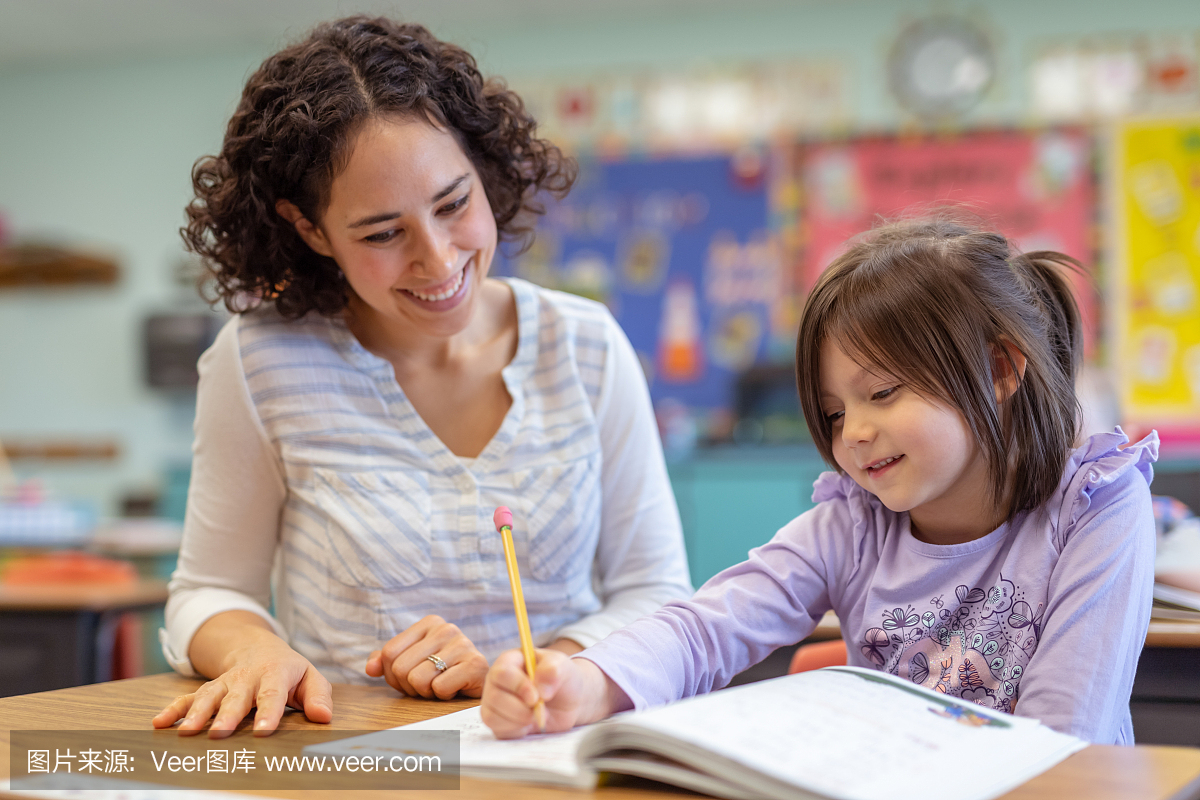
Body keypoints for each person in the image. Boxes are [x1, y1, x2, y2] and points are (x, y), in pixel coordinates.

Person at [152, 15, 691, 738]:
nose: (438, 260)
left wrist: (541, 672)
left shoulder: (585, 346)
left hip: (551, 754)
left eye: (454, 203)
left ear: (484, 171)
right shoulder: (258, 363)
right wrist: (256, 649)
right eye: (382, 233)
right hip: (356, 762)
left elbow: (657, 592)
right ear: (310, 229)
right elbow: (208, 590)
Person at [481, 217, 1158, 745]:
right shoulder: (853, 524)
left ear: (1001, 370)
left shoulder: (1095, 507)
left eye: (883, 392)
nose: (853, 434)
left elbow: (1065, 735)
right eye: (834, 414)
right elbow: (706, 628)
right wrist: (585, 681)